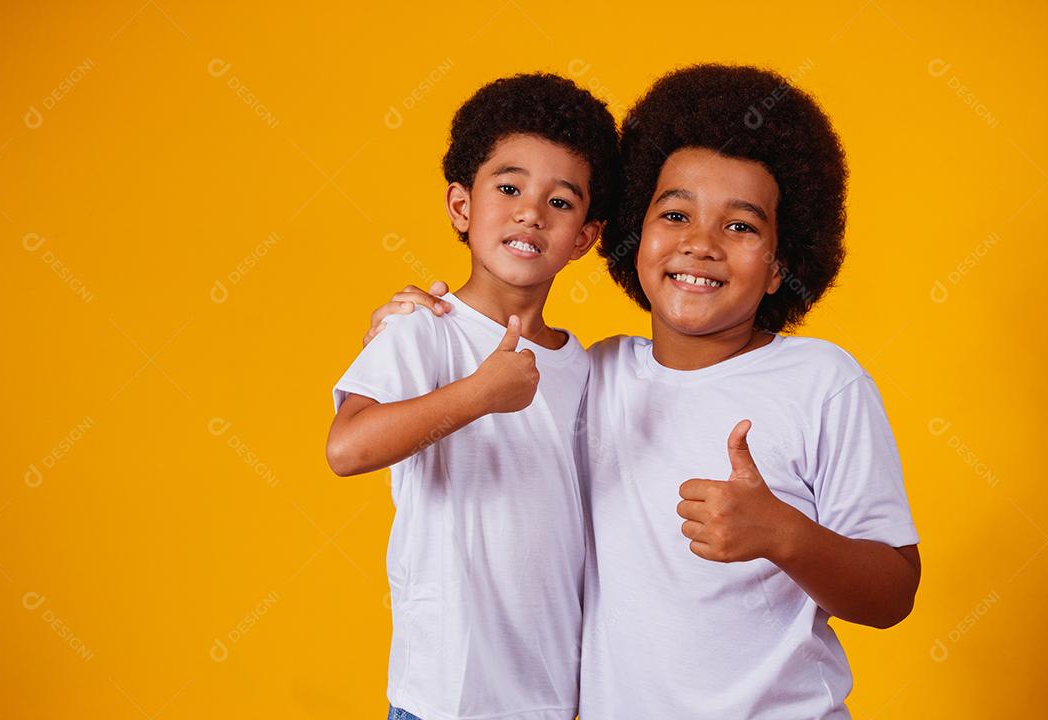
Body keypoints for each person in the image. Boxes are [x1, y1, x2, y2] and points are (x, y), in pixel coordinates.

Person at [362, 65, 921, 719]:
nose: (701, 244)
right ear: (631, 236)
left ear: (780, 265)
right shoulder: (590, 375)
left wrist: (784, 535)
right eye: (675, 214)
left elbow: (893, 594)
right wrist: (423, 322)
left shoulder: (824, 382)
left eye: (741, 227)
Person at [326, 73, 619, 720]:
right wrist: (478, 394)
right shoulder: (422, 329)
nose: (531, 213)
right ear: (461, 206)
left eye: (560, 201)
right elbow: (347, 448)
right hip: (445, 700)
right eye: (509, 188)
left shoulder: (586, 369)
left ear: (584, 237)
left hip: (549, 702)